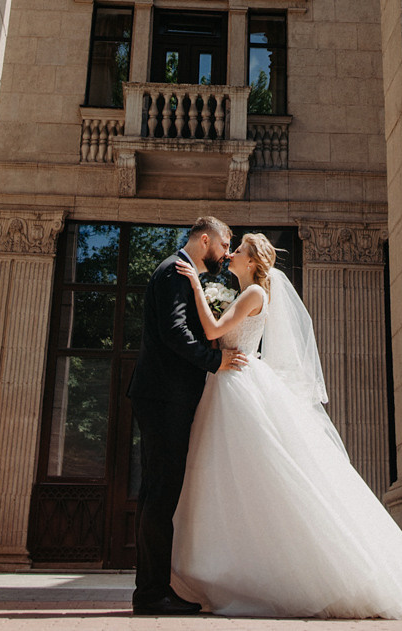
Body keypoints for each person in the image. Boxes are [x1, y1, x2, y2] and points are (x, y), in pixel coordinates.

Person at [169, 232, 402, 620]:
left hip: (237, 384)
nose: (230, 255)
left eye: (239, 251)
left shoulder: (253, 294)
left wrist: (195, 284)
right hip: (227, 382)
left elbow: (214, 331)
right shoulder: (246, 293)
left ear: (252, 262)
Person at [128, 217, 248, 617]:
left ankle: (151, 589)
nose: (227, 252)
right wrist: (215, 361)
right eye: (225, 243)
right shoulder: (175, 271)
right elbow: (175, 333)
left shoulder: (183, 272)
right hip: (164, 397)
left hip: (165, 396)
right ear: (204, 239)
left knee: (157, 493)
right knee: (160, 494)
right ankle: (151, 594)